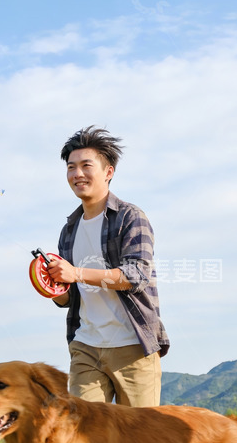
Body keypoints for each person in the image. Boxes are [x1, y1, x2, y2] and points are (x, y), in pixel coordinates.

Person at [47, 125, 169, 407]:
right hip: (85, 345)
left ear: (108, 172)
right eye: (71, 167)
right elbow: (70, 297)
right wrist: (52, 286)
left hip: (133, 346)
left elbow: (136, 275)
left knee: (137, 439)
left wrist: (76, 273)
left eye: (86, 165)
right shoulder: (69, 229)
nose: (77, 174)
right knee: (81, 432)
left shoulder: (130, 217)